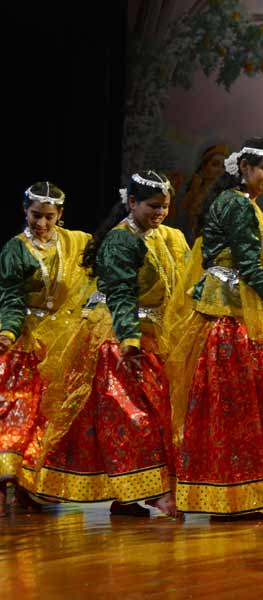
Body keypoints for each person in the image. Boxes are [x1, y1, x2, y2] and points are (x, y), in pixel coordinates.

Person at [167, 138, 263, 518]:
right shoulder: (236, 204)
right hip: (229, 316)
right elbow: (250, 268)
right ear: (244, 169)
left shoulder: (244, 204)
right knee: (240, 402)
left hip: (240, 311)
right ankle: (239, 491)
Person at [22, 172, 187, 518]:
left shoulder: (169, 237)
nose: (159, 213)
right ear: (131, 203)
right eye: (152, 206)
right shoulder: (120, 241)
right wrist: (128, 338)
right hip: (117, 339)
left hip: (153, 338)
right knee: (130, 417)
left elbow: (182, 284)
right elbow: (120, 294)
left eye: (165, 207)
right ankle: (150, 493)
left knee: (155, 417)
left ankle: (130, 497)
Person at [0, 182, 90, 515]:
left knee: (50, 415)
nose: (42, 224)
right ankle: (6, 480)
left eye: (49, 217)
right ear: (25, 211)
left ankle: (35, 485)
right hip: (25, 337)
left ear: (60, 215)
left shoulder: (75, 243)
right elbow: (11, 296)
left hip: (59, 343)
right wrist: (7, 332)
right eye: (36, 216)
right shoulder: (15, 249)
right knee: (19, 409)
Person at [176, 144, 229, 239]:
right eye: (215, 164)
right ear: (204, 166)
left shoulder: (226, 196)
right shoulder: (191, 190)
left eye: (223, 166)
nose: (220, 170)